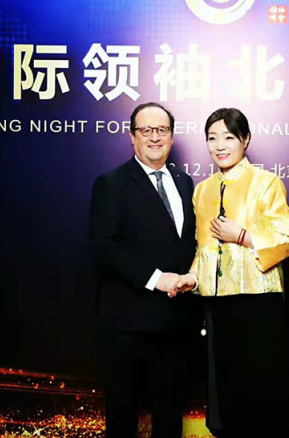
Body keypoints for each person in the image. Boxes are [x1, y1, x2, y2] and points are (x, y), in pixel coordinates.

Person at [179, 107, 289, 437]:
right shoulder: (202, 190)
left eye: (229, 137)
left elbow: (287, 238)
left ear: (245, 140)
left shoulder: (266, 182)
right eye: (212, 138)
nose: (220, 146)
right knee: (225, 390)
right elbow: (202, 248)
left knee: (263, 389)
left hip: (259, 302)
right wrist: (192, 277)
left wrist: (242, 235)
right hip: (217, 305)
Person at [89, 102, 198, 438]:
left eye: (162, 130)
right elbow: (105, 248)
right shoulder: (111, 183)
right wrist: (156, 279)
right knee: (123, 412)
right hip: (128, 323)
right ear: (132, 136)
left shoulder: (184, 182)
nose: (154, 137)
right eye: (146, 130)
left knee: (170, 412)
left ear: (172, 136)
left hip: (175, 322)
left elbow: (188, 243)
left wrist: (192, 276)